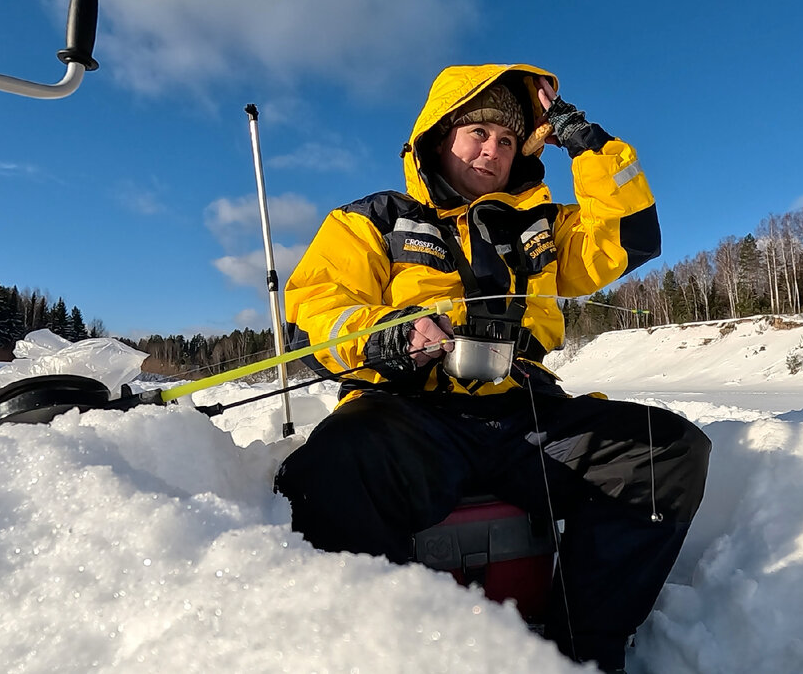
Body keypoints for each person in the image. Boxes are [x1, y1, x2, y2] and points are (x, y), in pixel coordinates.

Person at [274, 63, 710, 672]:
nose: (493, 149)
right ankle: (379, 651)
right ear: (438, 135)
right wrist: (387, 336)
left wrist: (583, 139)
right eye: (478, 132)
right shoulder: (371, 218)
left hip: (524, 414)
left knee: (666, 453)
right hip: (411, 412)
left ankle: (584, 652)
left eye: (508, 139)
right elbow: (317, 310)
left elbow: (632, 237)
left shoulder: (546, 226)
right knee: (337, 461)